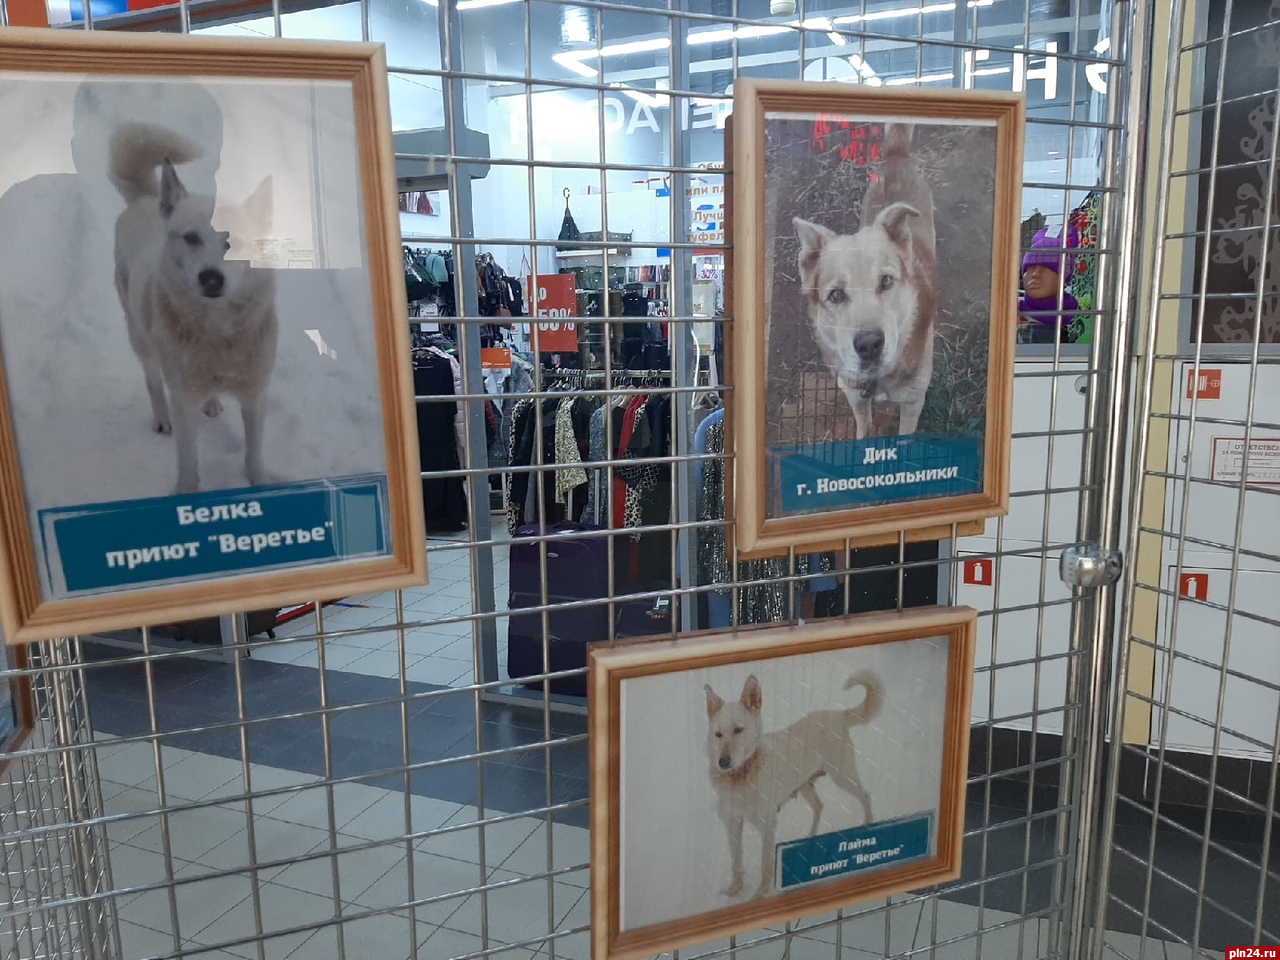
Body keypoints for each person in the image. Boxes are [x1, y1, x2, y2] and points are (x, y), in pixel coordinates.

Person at [1017, 226, 1079, 344]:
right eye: (1030, 268)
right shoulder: (1009, 313)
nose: (1035, 274)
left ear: (1064, 276)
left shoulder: (1080, 319)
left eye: (1046, 268)